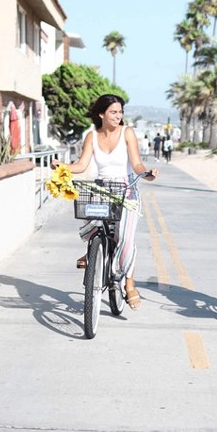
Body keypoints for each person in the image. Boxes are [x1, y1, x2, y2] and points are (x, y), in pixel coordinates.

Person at [51, 94, 157, 309]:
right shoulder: (91, 136)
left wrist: (146, 173)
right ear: (101, 114)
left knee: (125, 238)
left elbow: (136, 163)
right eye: (113, 112)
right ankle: (94, 250)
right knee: (90, 219)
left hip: (126, 189)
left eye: (120, 112)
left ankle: (128, 284)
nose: (118, 116)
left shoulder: (127, 133)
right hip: (102, 188)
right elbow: (81, 165)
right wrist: (62, 166)